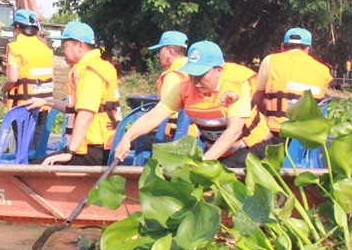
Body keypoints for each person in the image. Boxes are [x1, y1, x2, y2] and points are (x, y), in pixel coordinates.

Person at [114, 41, 271, 167]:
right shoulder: (185, 87)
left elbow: (234, 130)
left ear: (219, 70)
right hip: (220, 153)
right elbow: (155, 115)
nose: (195, 82)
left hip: (254, 148)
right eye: (192, 74)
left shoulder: (236, 85)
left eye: (201, 75)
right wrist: (128, 137)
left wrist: (203, 162)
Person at [28, 21, 120, 166]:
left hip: (93, 150)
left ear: (79, 45)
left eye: (65, 45)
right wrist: (46, 102)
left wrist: (69, 152)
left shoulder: (90, 72)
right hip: (94, 147)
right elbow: (74, 108)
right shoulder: (97, 66)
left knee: (34, 170)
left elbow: (85, 115)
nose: (62, 50)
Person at [252, 27, 332, 143]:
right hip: (307, 138)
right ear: (307, 49)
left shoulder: (270, 61)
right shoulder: (324, 71)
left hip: (276, 134)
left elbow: (257, 98)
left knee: (235, 160)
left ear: (283, 47)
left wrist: (267, 113)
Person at [0, 9, 54, 149]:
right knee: (36, 147)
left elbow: (12, 78)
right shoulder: (46, 50)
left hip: (23, 106)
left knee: (23, 148)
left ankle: (23, 171)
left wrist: (3, 90)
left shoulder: (15, 48)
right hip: (43, 105)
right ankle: (34, 170)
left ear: (18, 27)